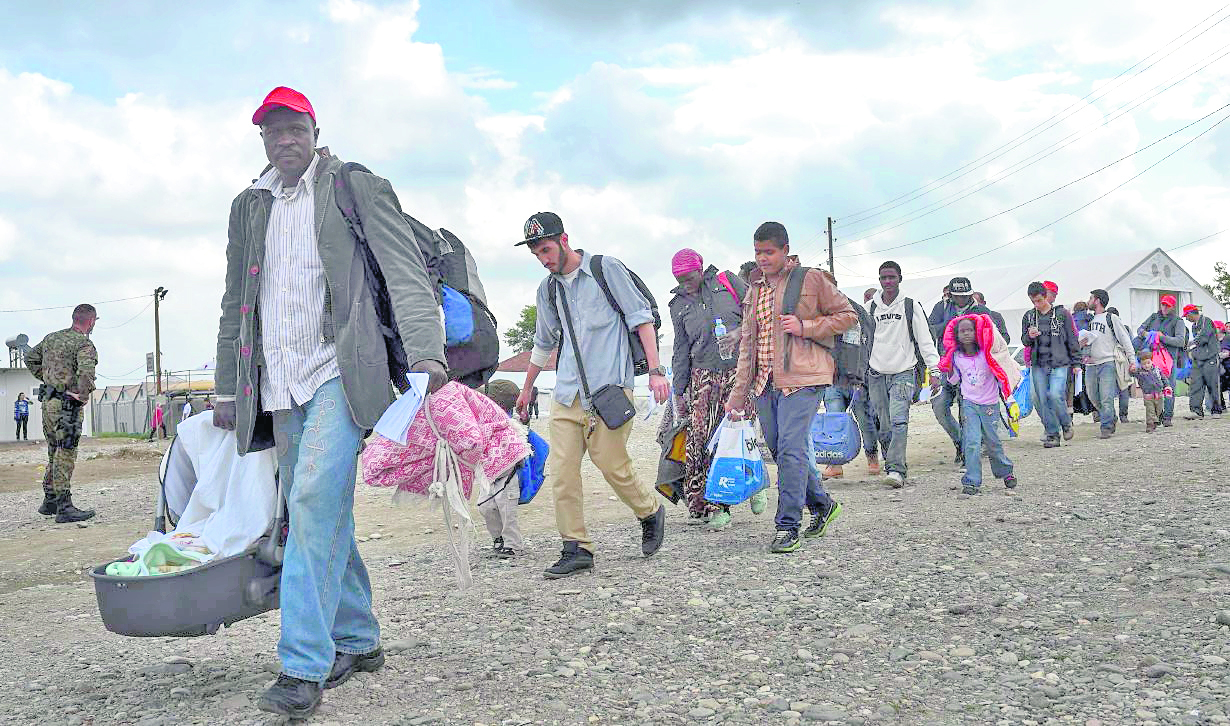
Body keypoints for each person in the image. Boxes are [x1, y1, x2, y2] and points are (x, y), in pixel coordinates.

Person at [212, 86, 447, 718]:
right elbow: (237, 298)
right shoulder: (249, 205)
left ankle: (302, 666)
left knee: (313, 502)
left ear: (314, 129)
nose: (284, 140)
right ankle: (359, 637)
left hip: (342, 370)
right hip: (278, 383)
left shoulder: (353, 186)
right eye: (272, 131)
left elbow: (404, 273)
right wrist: (227, 386)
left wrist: (427, 355)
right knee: (317, 507)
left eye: (295, 129)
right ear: (261, 137)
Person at [513, 211, 669, 579]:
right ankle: (576, 547)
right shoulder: (547, 289)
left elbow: (640, 318)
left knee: (611, 462)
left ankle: (649, 512)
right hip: (567, 394)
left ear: (564, 240)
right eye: (536, 254)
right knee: (562, 472)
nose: (544, 259)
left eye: (547, 250)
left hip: (610, 389)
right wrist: (527, 387)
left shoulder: (605, 269)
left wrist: (657, 370)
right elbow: (543, 342)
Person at [723, 222, 852, 553]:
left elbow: (847, 315)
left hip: (804, 379)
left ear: (785, 250)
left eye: (769, 252)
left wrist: (805, 326)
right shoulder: (755, 290)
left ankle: (787, 526)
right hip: (765, 383)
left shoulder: (811, 278)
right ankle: (822, 505)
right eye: (757, 252)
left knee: (793, 449)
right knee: (781, 451)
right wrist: (737, 395)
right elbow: (748, 346)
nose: (762, 258)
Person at [667, 247, 765, 529]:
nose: (686, 283)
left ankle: (754, 487)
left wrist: (739, 334)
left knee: (738, 433)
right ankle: (711, 504)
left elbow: (756, 314)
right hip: (703, 376)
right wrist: (678, 391)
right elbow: (680, 348)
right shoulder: (678, 304)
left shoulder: (727, 282)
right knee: (703, 439)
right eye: (680, 278)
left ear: (700, 269)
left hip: (738, 370)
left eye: (689, 276)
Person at [866, 261, 941, 487]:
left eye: (891, 277)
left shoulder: (910, 305)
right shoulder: (871, 307)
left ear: (900, 278)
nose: (888, 282)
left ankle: (896, 469)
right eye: (883, 278)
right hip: (876, 373)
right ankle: (892, 460)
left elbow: (924, 339)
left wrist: (934, 369)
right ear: (879, 280)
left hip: (904, 372)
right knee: (884, 423)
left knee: (899, 421)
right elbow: (862, 339)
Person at [24, 304, 97, 522]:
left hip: (48, 403)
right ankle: (64, 506)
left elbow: (30, 359)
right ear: (91, 321)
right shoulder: (84, 343)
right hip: (67, 406)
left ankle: (50, 501)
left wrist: (50, 381)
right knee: (65, 452)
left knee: (54, 450)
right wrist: (81, 395)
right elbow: (86, 372)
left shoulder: (50, 338)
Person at [929, 277, 1011, 465]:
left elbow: (996, 337)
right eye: (957, 296)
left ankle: (968, 452)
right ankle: (960, 441)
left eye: (964, 296)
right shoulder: (941, 308)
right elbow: (931, 329)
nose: (961, 300)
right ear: (951, 294)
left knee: (966, 410)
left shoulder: (982, 311)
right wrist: (952, 324)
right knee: (939, 406)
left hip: (973, 365)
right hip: (947, 364)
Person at [937, 315, 1019, 495]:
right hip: (969, 403)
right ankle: (972, 480)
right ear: (956, 335)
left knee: (993, 442)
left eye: (970, 330)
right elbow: (954, 380)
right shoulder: (957, 357)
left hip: (989, 404)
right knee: (972, 442)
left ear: (977, 332)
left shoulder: (987, 354)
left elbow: (1000, 376)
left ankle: (1005, 472)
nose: (966, 334)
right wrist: (948, 367)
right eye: (962, 331)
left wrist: (1009, 399)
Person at [819, 271, 880, 479]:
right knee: (834, 418)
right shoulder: (820, 311)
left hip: (855, 377)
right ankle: (835, 463)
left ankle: (872, 456)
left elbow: (864, 344)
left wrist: (859, 374)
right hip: (831, 377)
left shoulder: (853, 310)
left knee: (864, 419)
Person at [478, 379, 540, 558]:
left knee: (507, 510)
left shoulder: (511, 423)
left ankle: (513, 544)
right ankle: (498, 537)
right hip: (489, 474)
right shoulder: (482, 423)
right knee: (486, 507)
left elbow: (523, 434)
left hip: (508, 474)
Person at [1022, 281, 1080, 448]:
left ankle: (1066, 423)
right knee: (1042, 399)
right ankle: (1053, 434)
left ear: (1046, 296)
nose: (1037, 304)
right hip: (1038, 363)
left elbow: (1072, 338)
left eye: (1039, 300)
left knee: (1055, 395)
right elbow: (1024, 341)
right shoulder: (1029, 316)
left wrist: (1076, 362)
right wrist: (1029, 336)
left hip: (1059, 362)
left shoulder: (1062, 314)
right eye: (1033, 301)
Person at [1080, 289, 1136, 438]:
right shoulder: (1088, 320)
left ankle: (1106, 427)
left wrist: (1132, 360)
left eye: (1091, 297)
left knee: (1106, 396)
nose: (1089, 300)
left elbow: (1125, 339)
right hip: (1091, 363)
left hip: (1107, 362)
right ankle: (1110, 416)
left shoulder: (1111, 318)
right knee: (1092, 395)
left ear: (1097, 300)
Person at [1137, 294, 1187, 427]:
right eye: (1163, 304)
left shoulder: (1178, 321)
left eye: (1167, 305)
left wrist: (1162, 337)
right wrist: (1147, 334)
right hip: (1152, 360)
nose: (1164, 307)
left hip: (1169, 360)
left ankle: (1168, 417)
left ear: (1173, 306)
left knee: (1168, 388)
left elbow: (1181, 341)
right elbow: (1139, 329)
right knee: (1154, 389)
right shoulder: (1154, 317)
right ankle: (1157, 416)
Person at [1183, 304, 1220, 420]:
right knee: (1195, 384)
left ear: (1191, 313)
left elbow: (1203, 338)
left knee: (1212, 384)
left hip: (1210, 358)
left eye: (1187, 316)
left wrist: (1190, 345)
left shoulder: (1206, 321)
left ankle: (1216, 410)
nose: (1186, 318)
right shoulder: (1194, 326)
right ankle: (1196, 411)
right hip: (1198, 359)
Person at [1106, 306, 1133, 422]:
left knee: (1107, 390)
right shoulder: (1125, 327)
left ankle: (1111, 416)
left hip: (1108, 359)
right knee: (1124, 387)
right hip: (1122, 359)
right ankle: (1124, 415)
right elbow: (1130, 342)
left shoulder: (1105, 326)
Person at [1132, 350, 1166, 433]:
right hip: (1148, 395)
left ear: (1152, 361)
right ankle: (1150, 425)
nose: (1146, 365)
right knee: (1150, 410)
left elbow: (1164, 378)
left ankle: (1156, 420)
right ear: (1140, 364)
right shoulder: (1140, 372)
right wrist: (1132, 369)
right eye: (1144, 364)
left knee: (1159, 409)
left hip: (1159, 393)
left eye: (1148, 363)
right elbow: (1132, 373)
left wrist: (1167, 386)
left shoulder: (1157, 370)